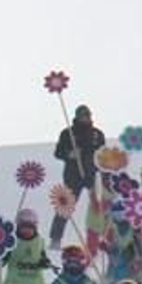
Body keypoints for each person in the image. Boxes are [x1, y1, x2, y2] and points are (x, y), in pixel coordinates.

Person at [49, 104, 104, 245]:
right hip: (73, 176)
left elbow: (103, 155)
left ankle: (102, 238)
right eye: (82, 116)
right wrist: (70, 154)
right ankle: (55, 239)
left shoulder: (97, 134)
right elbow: (58, 152)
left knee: (99, 206)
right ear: (77, 117)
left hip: (92, 174)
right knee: (66, 205)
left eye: (87, 115)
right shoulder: (68, 133)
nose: (85, 118)